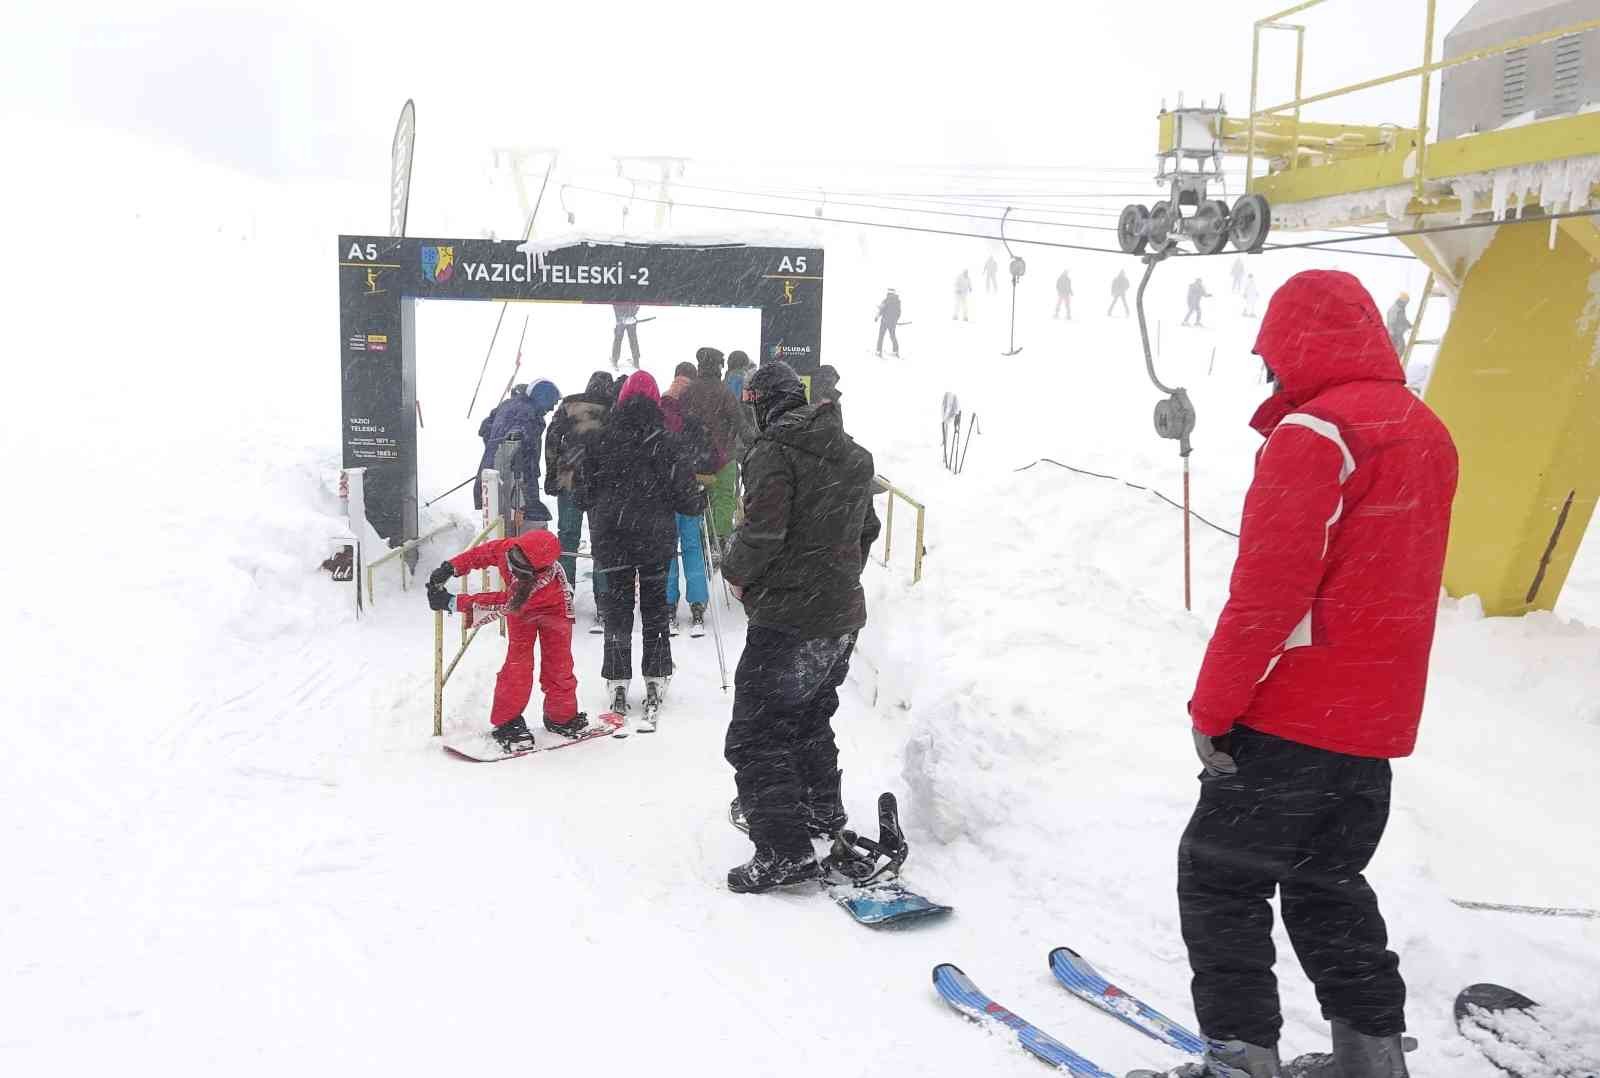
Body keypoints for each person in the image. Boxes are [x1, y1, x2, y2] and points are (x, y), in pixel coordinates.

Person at [1168, 270, 1457, 1078]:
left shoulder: (1316, 433)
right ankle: (1370, 1059)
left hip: (1293, 715)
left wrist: (1214, 706)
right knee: (1327, 879)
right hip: (1373, 719)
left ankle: (1240, 1061)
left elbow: (1268, 590)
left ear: (1290, 347)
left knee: (1220, 879)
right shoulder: (1426, 430)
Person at [721, 361, 882, 894]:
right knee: (810, 718)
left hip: (789, 618)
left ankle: (782, 849)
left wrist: (736, 572)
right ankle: (820, 812)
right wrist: (834, 576)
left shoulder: (773, 451)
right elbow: (868, 528)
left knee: (757, 735)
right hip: (839, 614)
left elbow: (763, 532)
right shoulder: (853, 453)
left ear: (764, 403)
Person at [576, 371, 705, 721]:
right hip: (654, 539)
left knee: (617, 610)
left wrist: (606, 506)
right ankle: (656, 673)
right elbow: (687, 502)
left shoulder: (597, 440)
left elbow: (581, 494)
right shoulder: (667, 442)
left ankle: (617, 678)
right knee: (654, 609)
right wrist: (698, 499)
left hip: (612, 540)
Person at [425, 529, 586, 748]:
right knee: (517, 665)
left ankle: (561, 717)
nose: (511, 567)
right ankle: (507, 722)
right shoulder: (510, 548)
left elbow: (502, 602)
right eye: (511, 560)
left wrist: (451, 602)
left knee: (559, 665)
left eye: (519, 568)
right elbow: (481, 554)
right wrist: (450, 568)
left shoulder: (542, 583)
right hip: (521, 612)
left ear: (536, 571)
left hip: (554, 610)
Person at [544, 371, 615, 632]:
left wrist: (552, 472)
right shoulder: (612, 409)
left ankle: (565, 595)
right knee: (602, 541)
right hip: (601, 480)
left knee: (568, 538)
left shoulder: (568, 405)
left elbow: (552, 439)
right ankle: (604, 605)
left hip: (570, 476)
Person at [660, 360, 712, 636]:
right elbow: (709, 454)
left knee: (668, 547)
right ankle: (698, 602)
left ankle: (668, 604)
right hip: (690, 490)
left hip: (665, 492)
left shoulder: (660, 407)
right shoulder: (695, 410)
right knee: (692, 546)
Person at [478, 380, 561, 535]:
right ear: (541, 398)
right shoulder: (527, 413)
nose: (551, 409)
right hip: (514, 476)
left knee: (499, 521)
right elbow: (522, 446)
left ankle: (508, 549)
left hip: (493, 472)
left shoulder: (508, 406)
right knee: (520, 520)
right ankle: (518, 553)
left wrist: (495, 449)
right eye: (551, 403)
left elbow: (485, 428)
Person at [681, 346, 742, 557]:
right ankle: (721, 544)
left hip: (695, 459)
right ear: (717, 366)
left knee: (702, 500)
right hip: (723, 456)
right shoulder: (723, 391)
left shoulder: (688, 391)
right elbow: (738, 421)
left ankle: (704, 542)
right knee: (724, 499)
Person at [611, 302, 643, 369]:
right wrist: (622, 317)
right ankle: (615, 359)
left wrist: (632, 316)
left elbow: (637, 304)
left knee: (633, 340)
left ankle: (636, 361)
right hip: (620, 321)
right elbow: (615, 304)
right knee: (618, 340)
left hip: (631, 321)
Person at [875, 288, 901, 357]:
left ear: (888, 293)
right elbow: (899, 313)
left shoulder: (886, 300)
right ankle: (896, 351)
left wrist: (877, 317)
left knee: (881, 336)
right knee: (892, 336)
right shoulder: (897, 301)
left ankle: (878, 351)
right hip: (892, 323)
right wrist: (895, 320)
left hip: (884, 321)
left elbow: (881, 310)